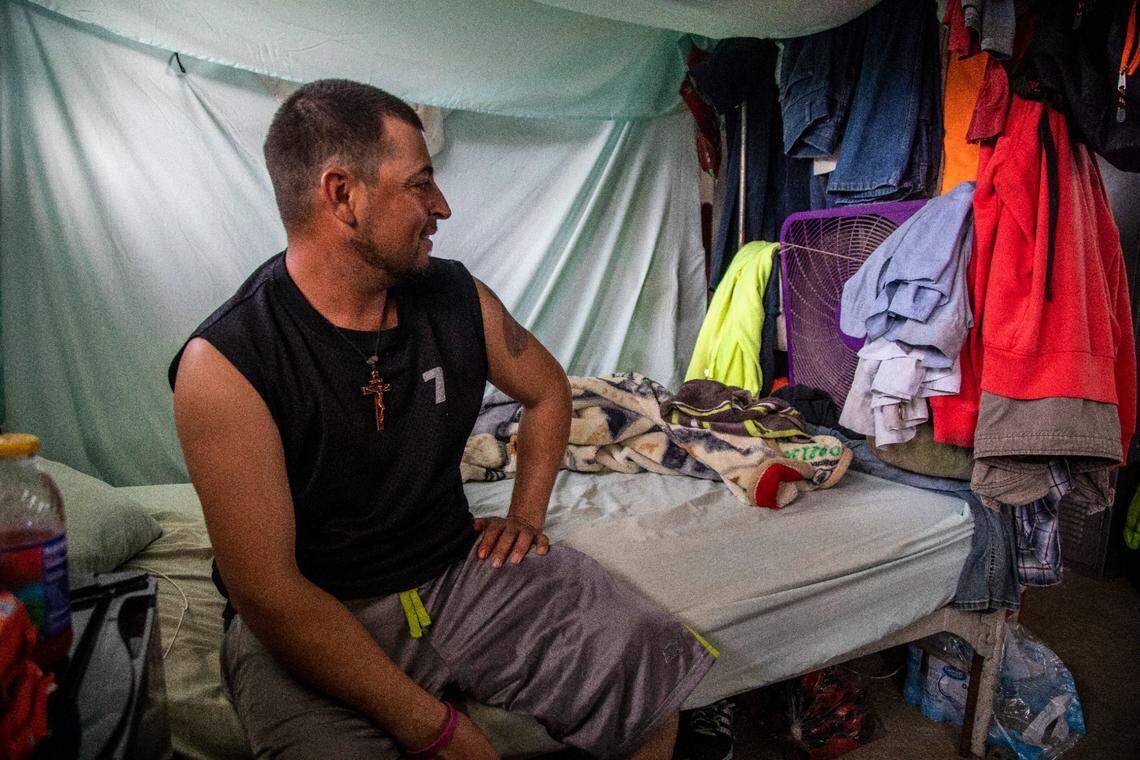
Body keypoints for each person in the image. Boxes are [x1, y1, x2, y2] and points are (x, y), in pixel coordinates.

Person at [170, 79, 715, 759]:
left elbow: (547, 391)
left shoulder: (455, 298)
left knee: (646, 664)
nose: (442, 207)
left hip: (457, 575)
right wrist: (440, 731)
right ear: (343, 195)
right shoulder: (225, 365)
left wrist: (526, 518)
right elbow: (269, 592)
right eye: (421, 184)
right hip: (316, 619)